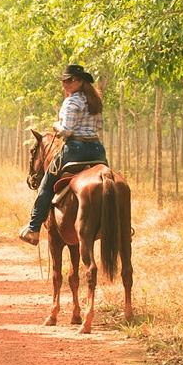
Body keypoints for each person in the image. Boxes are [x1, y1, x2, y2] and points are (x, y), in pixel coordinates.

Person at [19, 64, 107, 246]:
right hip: (97, 150)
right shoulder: (95, 100)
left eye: (68, 80)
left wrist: (56, 126)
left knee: (46, 185)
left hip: (75, 150)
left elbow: (66, 131)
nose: (64, 84)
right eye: (63, 81)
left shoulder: (71, 101)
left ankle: (33, 229)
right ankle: (121, 226)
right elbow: (99, 126)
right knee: (109, 182)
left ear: (79, 81)